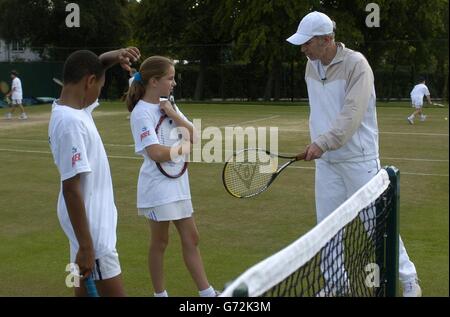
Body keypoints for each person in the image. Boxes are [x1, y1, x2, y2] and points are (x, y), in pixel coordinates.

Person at [287, 11, 421, 297]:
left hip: (358, 159)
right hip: (327, 163)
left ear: (326, 39)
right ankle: (336, 283)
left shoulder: (356, 65)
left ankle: (409, 279)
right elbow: (321, 112)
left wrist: (322, 142)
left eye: (308, 43)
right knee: (328, 228)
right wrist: (321, 145)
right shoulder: (311, 65)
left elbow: (352, 114)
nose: (303, 49)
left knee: (377, 227)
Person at [48, 47, 141, 297]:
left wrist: (114, 56)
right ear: (90, 82)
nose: (99, 92)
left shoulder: (74, 109)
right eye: (99, 86)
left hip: (86, 231)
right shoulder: (71, 123)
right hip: (94, 237)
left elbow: (93, 65)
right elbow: (71, 188)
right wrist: (88, 247)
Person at [126, 56, 218, 297]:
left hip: (178, 184)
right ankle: (160, 295)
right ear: (154, 81)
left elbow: (193, 135)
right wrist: (183, 149)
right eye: (170, 78)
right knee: (160, 242)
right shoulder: (140, 114)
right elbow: (156, 153)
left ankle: (207, 294)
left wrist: (173, 114)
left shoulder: (169, 105)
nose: (174, 83)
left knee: (192, 237)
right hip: (157, 188)